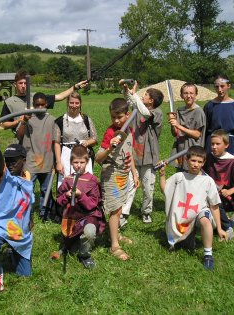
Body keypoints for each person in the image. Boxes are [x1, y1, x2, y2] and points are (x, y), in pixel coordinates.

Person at [0, 125, 34, 292]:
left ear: (23, 160)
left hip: (18, 230)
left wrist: (30, 218)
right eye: (8, 160)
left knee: (25, 275)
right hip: (1, 224)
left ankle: (13, 251)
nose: (10, 164)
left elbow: (28, 201)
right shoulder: (5, 176)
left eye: (14, 160)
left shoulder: (27, 178)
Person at [158, 145, 229, 270]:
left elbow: (214, 206)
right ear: (187, 160)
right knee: (185, 244)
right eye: (193, 160)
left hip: (198, 213)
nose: (196, 164)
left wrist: (219, 228)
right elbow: (165, 190)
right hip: (181, 215)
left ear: (204, 163)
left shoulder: (207, 181)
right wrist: (162, 174)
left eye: (199, 162)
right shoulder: (179, 177)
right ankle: (183, 238)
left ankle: (208, 255)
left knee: (206, 221)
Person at [95, 98, 139, 261]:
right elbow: (98, 158)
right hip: (112, 176)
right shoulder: (110, 132)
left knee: (119, 206)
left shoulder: (129, 130)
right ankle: (114, 245)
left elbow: (129, 153)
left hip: (123, 175)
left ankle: (116, 234)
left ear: (127, 115)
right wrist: (108, 148)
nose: (116, 120)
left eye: (119, 117)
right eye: (113, 117)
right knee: (115, 210)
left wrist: (134, 173)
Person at [52, 145, 106, 269]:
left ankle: (85, 255)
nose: (78, 165)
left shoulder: (92, 180)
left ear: (87, 162)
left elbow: (92, 204)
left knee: (89, 232)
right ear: (71, 162)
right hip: (72, 216)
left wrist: (81, 195)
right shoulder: (67, 180)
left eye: (82, 162)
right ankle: (70, 245)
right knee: (72, 249)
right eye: (76, 162)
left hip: (89, 216)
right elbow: (59, 201)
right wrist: (66, 195)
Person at [121, 80, 163, 224]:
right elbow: (130, 102)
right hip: (134, 155)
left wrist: (134, 95)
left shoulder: (157, 113)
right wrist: (127, 90)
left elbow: (145, 113)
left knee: (148, 188)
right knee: (131, 185)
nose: (142, 95)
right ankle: (124, 213)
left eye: (145, 94)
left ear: (151, 100)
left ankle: (146, 212)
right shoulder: (136, 110)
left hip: (149, 158)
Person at [0, 69, 88, 133]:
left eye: (25, 83)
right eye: (20, 83)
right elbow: (3, 124)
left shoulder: (37, 97)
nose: (23, 86)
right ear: (15, 84)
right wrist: (18, 121)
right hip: (21, 137)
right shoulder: (9, 102)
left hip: (40, 136)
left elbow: (60, 96)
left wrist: (75, 87)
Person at [16, 92, 56, 221]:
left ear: (46, 104)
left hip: (47, 161)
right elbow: (19, 136)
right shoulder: (27, 118)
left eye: (42, 104)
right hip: (31, 161)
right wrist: (24, 121)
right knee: (27, 189)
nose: (39, 107)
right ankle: (27, 214)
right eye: (37, 105)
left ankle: (45, 214)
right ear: (33, 105)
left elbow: (56, 142)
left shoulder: (52, 120)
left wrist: (56, 161)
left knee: (46, 190)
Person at [203, 129, 234, 231]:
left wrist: (229, 191)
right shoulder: (209, 157)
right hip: (208, 194)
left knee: (220, 226)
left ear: (226, 145)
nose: (214, 147)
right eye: (212, 144)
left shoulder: (233, 161)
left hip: (223, 198)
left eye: (218, 144)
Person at [53, 91, 98, 187]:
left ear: (80, 103)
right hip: (66, 156)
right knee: (66, 184)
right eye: (71, 102)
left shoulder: (86, 119)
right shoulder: (60, 121)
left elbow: (94, 139)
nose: (74, 105)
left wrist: (87, 142)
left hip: (83, 156)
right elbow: (56, 143)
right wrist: (58, 162)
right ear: (67, 103)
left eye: (77, 103)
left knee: (85, 184)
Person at [168, 82, 206, 171]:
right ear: (181, 95)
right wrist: (173, 124)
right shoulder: (179, 110)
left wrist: (179, 126)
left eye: (191, 93)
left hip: (193, 151)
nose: (189, 96)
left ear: (196, 94)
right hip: (181, 150)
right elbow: (175, 133)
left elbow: (197, 134)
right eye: (185, 93)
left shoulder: (198, 112)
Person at [203, 74, 234, 158]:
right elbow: (206, 127)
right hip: (213, 143)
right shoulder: (209, 106)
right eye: (217, 87)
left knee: (229, 167)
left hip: (230, 142)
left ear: (228, 86)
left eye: (222, 86)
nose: (219, 89)